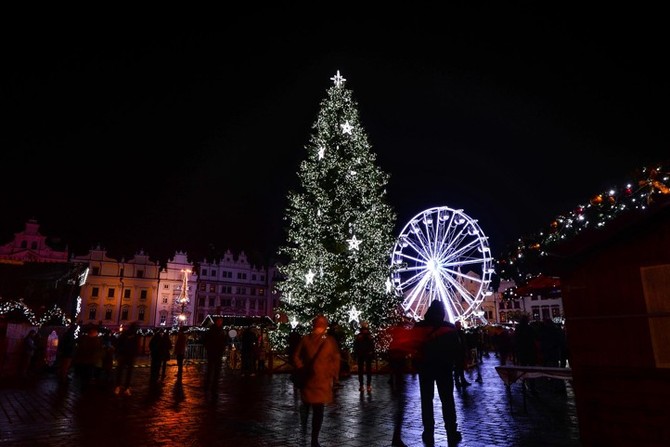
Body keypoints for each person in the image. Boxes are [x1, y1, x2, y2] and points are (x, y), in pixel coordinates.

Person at [413, 300, 462, 446]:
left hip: (425, 368)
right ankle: (451, 430)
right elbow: (457, 350)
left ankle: (428, 431)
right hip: (444, 368)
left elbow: (414, 346)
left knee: (426, 401)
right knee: (447, 400)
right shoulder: (449, 328)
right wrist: (457, 365)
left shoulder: (419, 327)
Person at [292, 315, 340, 447]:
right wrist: (333, 375)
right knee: (318, 410)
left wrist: (301, 367)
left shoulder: (306, 339)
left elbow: (296, 356)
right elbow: (335, 359)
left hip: (308, 379)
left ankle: (304, 429)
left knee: (306, 405)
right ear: (325, 326)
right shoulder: (329, 341)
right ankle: (314, 438)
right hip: (322, 380)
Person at [204, 317, 227, 398]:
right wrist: (209, 348)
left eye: (221, 321)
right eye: (219, 321)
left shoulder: (222, 330)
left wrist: (223, 346)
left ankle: (214, 387)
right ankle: (207, 385)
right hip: (212, 352)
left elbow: (224, 340)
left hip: (218, 353)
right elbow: (206, 340)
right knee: (210, 370)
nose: (220, 322)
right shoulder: (212, 330)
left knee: (217, 371)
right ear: (216, 322)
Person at [114, 322, 139, 396]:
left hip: (126, 355)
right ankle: (123, 387)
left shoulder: (126, 334)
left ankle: (121, 387)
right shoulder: (132, 335)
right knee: (125, 372)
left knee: (122, 371)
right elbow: (136, 346)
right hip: (125, 355)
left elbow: (118, 343)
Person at [353, 320, 375, 393]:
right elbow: (372, 345)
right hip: (365, 354)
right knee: (366, 371)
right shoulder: (368, 336)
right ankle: (366, 385)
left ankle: (363, 385)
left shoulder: (360, 336)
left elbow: (356, 345)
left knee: (362, 371)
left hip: (362, 354)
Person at [453, 321, 471, 388]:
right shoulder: (455, 333)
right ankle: (457, 381)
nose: (460, 326)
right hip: (457, 353)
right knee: (457, 368)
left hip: (461, 352)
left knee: (461, 368)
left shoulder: (460, 332)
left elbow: (464, 342)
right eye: (459, 325)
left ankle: (462, 380)